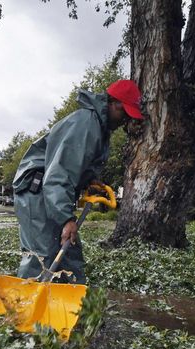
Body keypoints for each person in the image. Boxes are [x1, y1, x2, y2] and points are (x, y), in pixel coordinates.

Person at [11, 80, 143, 283]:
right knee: (42, 257)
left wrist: (88, 179)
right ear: (112, 102)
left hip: (51, 192)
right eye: (124, 112)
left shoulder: (99, 126)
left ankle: (75, 308)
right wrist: (66, 219)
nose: (125, 120)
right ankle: (23, 310)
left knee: (69, 255)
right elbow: (58, 176)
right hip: (36, 191)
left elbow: (75, 166)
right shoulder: (86, 124)